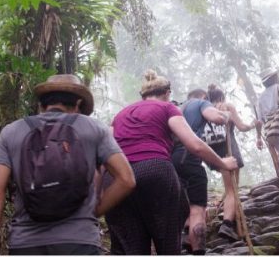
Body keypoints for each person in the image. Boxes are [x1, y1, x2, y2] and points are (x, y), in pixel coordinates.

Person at [0, 74, 136, 255]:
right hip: (79, 241)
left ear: (40, 105)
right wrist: (94, 212)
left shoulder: (11, 132)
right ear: (78, 104)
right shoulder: (94, 128)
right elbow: (127, 179)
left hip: (26, 243)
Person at [105, 70, 237, 255]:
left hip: (117, 178)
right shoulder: (167, 108)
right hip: (155, 169)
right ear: (167, 93)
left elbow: (105, 149)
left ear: (142, 96)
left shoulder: (120, 115)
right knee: (168, 243)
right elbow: (195, 145)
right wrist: (224, 163)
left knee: (129, 247)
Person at [171, 88, 230, 254]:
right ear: (204, 97)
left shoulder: (177, 108)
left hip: (170, 160)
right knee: (198, 209)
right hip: (188, 157)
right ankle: (198, 251)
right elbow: (216, 117)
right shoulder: (201, 103)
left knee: (183, 204)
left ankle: (185, 241)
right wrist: (226, 115)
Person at [205, 83, 255, 241]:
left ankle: (232, 219)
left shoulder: (206, 109)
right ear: (222, 96)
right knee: (233, 189)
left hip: (213, 153)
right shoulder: (227, 106)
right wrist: (253, 124)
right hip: (229, 150)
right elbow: (241, 127)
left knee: (230, 188)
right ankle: (227, 224)